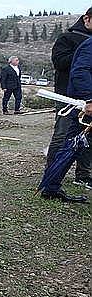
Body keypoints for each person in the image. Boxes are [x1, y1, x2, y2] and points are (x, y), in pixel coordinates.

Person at [40, 36, 92, 203]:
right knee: (72, 145)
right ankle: (51, 186)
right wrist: (90, 99)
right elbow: (80, 71)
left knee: (73, 146)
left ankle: (51, 186)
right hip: (87, 105)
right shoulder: (90, 45)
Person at [46, 7, 92, 190]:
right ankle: (51, 175)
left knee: (88, 137)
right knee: (62, 134)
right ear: (86, 18)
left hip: (89, 96)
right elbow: (59, 62)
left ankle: (83, 175)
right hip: (68, 95)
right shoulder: (67, 38)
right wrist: (84, 52)